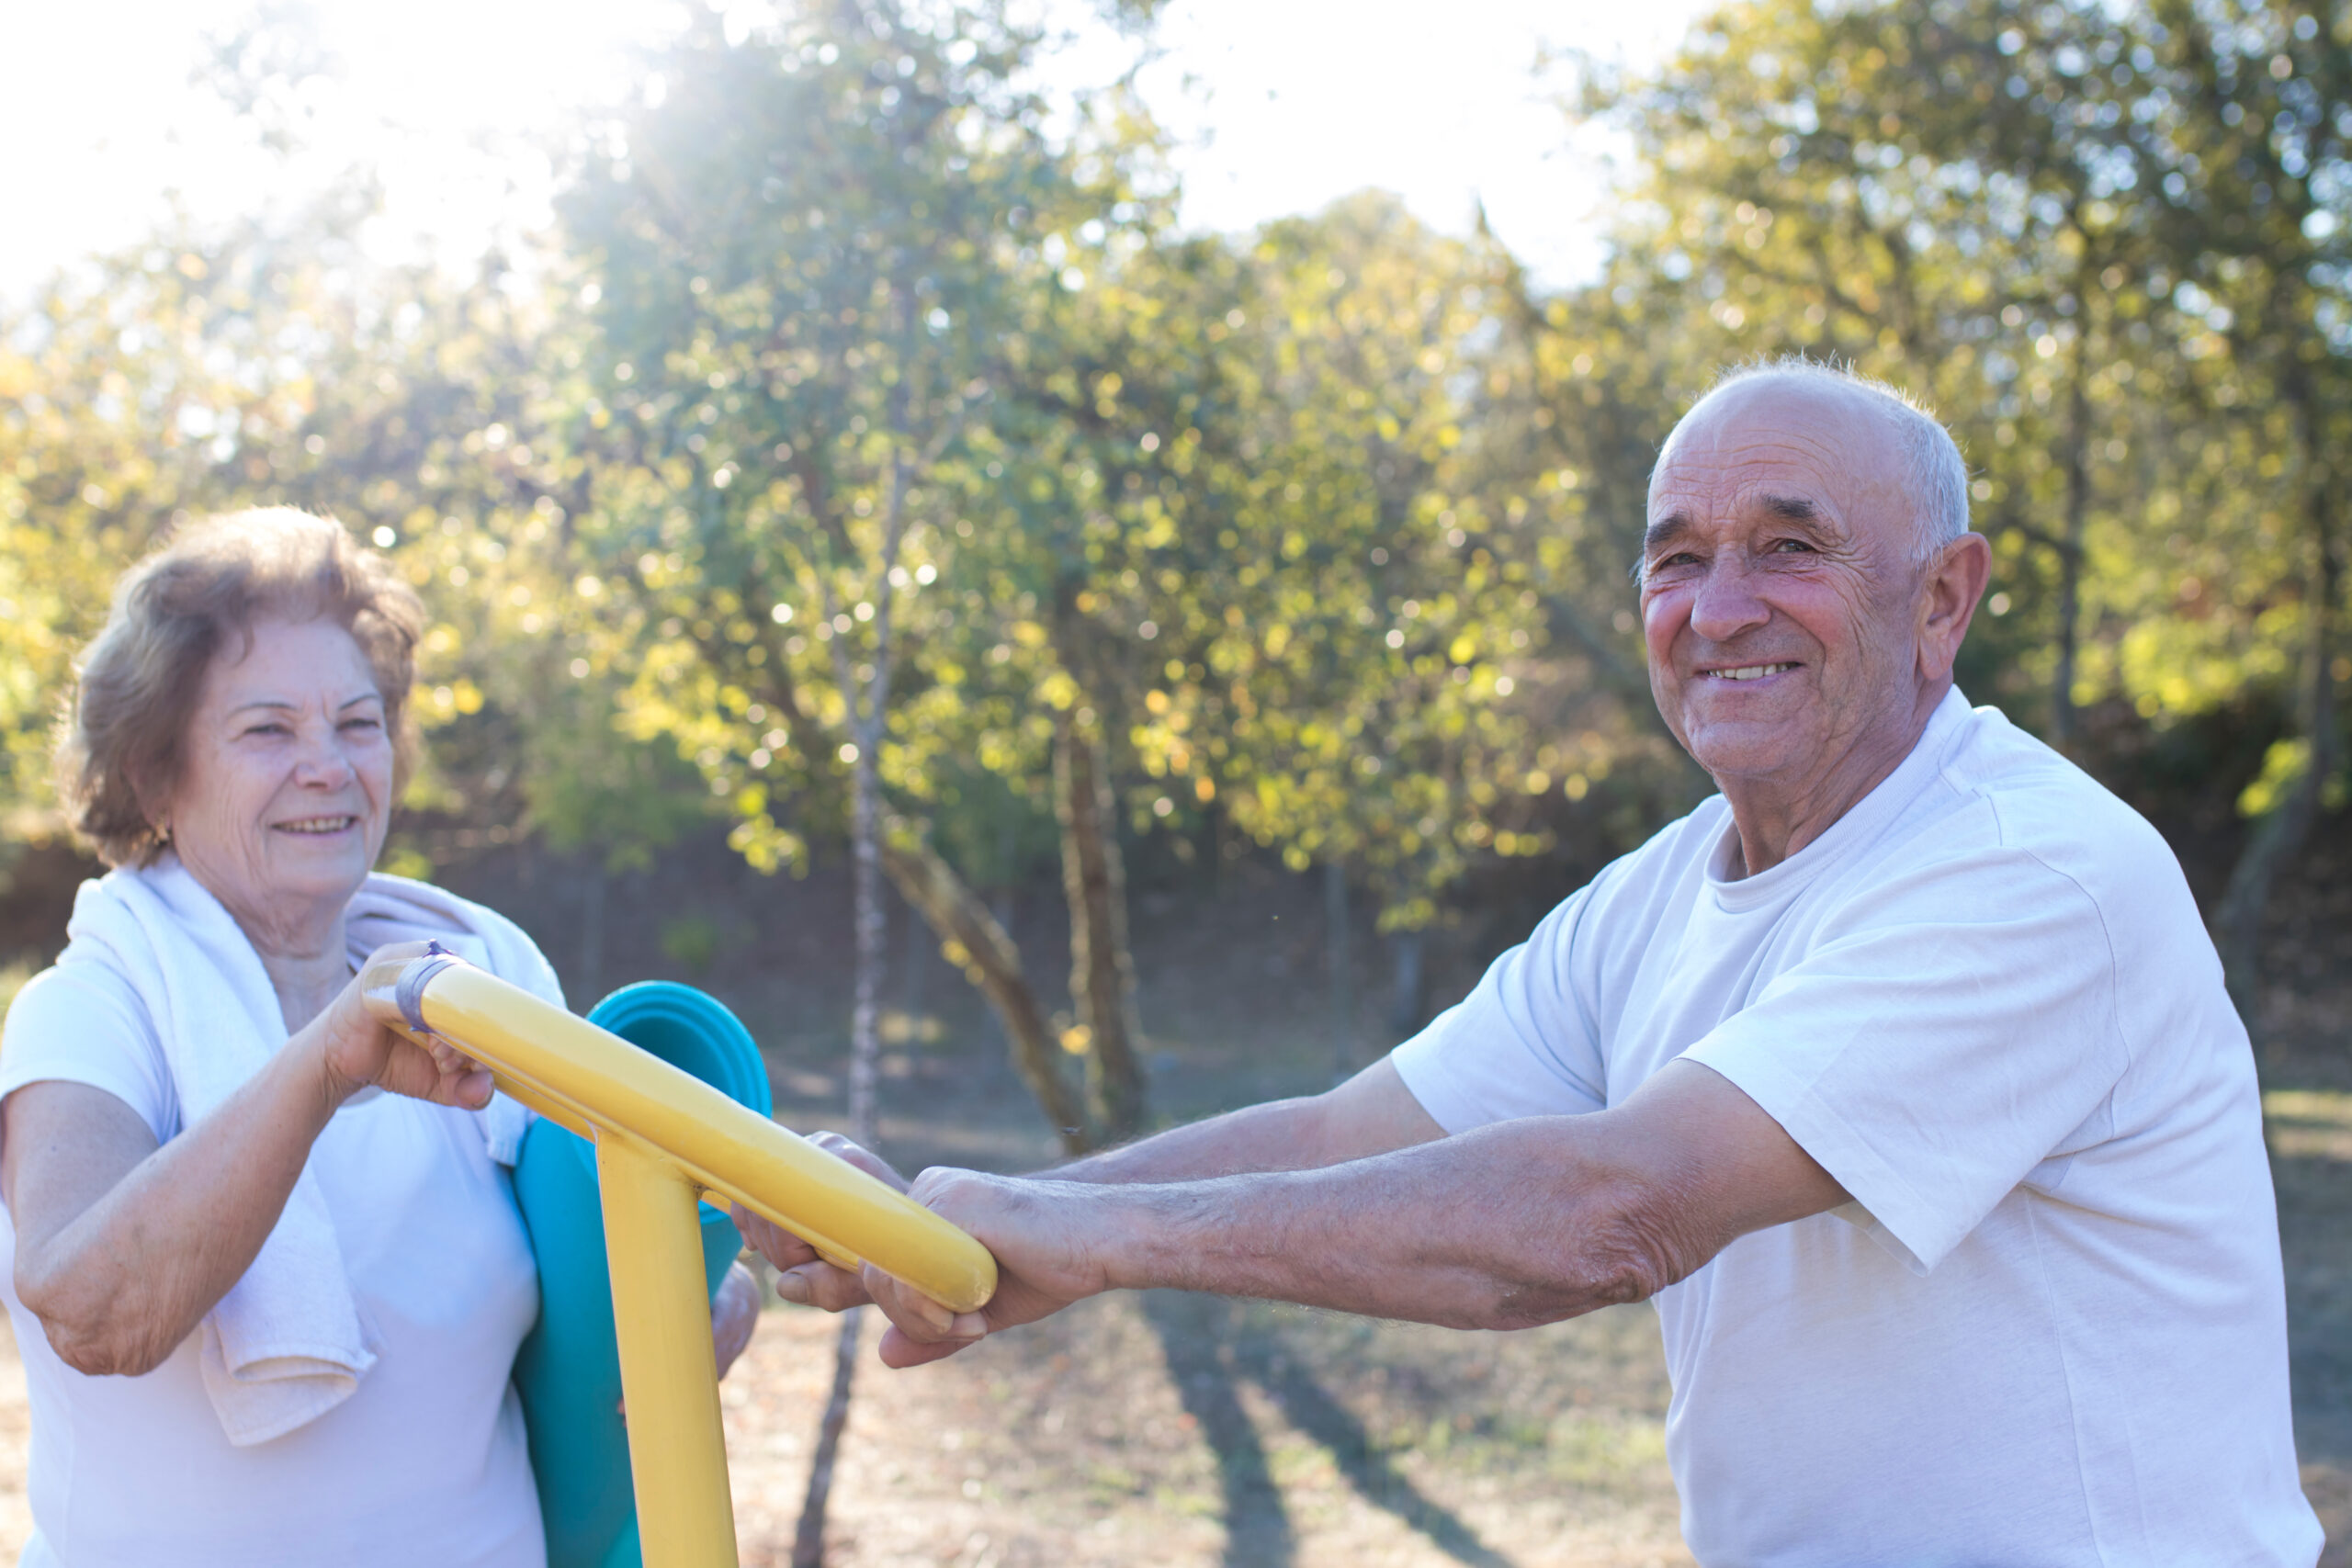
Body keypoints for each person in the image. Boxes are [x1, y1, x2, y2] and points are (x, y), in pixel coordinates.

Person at [739, 361, 2325, 1564]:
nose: (1717, 608)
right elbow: (1339, 1137)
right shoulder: (1656, 895)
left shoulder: (2031, 871)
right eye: (1675, 555)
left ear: (1944, 597)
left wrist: (1084, 1239)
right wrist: (972, 1234)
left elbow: (1607, 1215)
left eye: (1792, 549)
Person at [0, 509, 759, 1568]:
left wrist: (701, 1293)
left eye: (358, 725)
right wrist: (324, 1062)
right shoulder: (87, 1010)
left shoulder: (490, 974)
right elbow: (93, 1313)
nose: (329, 766)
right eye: (268, 730)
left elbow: (587, 1245)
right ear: (154, 777)